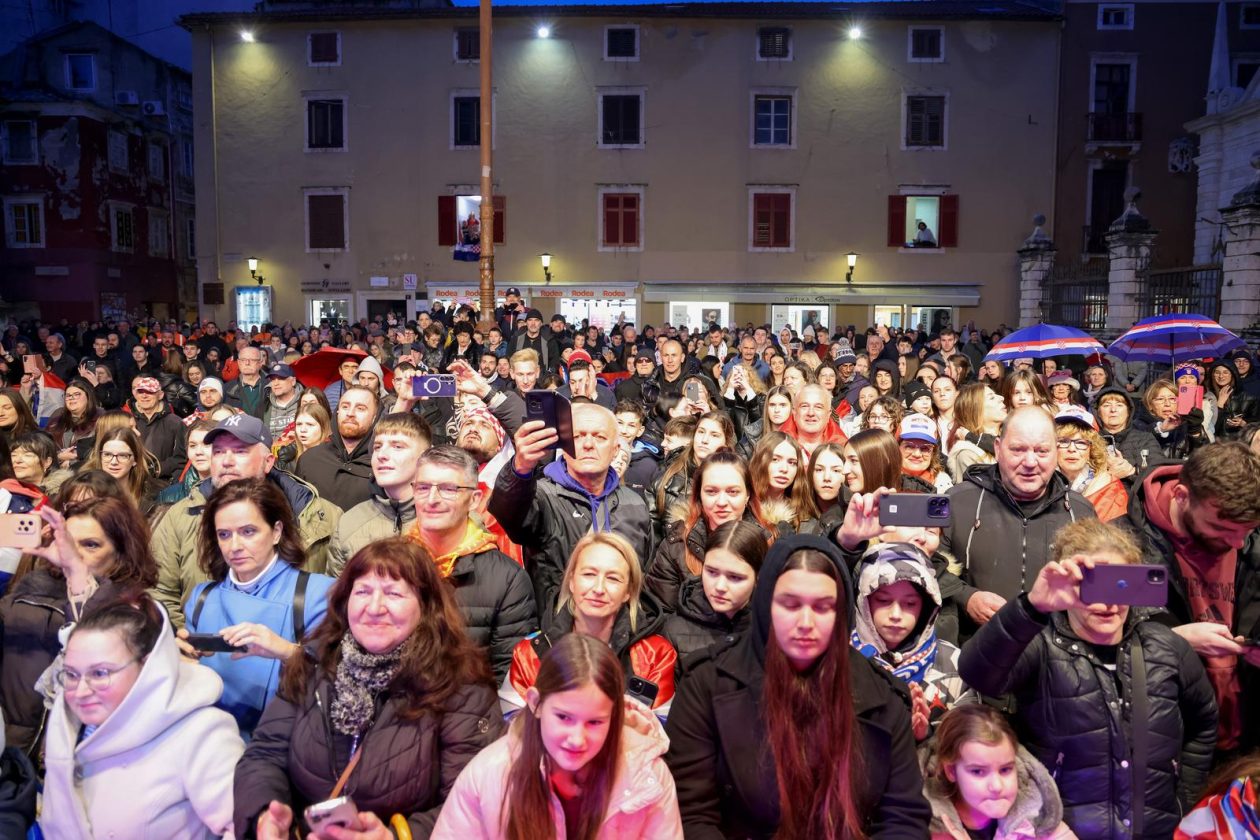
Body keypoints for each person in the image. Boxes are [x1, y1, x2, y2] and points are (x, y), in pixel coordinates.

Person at [959, 518, 1218, 840]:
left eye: (1120, 585)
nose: (1108, 604)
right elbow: (977, 673)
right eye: (1095, 587)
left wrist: (1183, 798)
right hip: (1061, 832)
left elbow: (1204, 722)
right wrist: (1031, 607)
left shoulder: (1168, 647)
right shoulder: (1039, 645)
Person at [233, 538, 504, 838]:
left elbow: (472, 802)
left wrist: (398, 836)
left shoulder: (463, 687)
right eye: (362, 591)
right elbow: (265, 754)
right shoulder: (313, 663)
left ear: (427, 607)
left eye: (393, 593)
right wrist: (266, 815)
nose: (374, 608)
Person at [665, 533, 931, 837]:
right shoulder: (707, 684)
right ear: (766, 604)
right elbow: (691, 813)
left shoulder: (884, 697)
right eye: (790, 604)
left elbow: (904, 819)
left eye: (823, 607)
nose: (806, 623)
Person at [433, 634, 684, 840]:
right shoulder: (489, 774)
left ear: (615, 717)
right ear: (535, 703)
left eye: (595, 722)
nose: (577, 739)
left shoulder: (648, 778)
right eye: (564, 717)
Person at [41, 594, 243, 839]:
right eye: (71, 675)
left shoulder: (201, 733)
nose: (81, 691)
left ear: (148, 667)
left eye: (100, 673)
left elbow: (244, 827)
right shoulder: (65, 726)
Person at [1120, 441, 1260, 755]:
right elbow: (1092, 650)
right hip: (1167, 742)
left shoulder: (1251, 546)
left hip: (1243, 740)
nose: (1237, 543)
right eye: (1220, 528)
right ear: (1181, 496)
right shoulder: (1123, 547)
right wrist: (1175, 641)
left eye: (1247, 530)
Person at [151, 414, 341, 629]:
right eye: (218, 451)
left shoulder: (321, 515)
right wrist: (191, 639)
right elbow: (160, 593)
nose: (226, 461)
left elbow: (339, 600)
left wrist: (294, 646)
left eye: (240, 451)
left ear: (268, 462)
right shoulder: (180, 517)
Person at [0, 496, 157, 755]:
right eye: (68, 542)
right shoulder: (28, 592)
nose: (74, 553)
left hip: (88, 755)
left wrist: (77, 575)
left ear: (121, 552)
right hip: (16, 754)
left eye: (91, 545)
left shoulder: (137, 611)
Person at [179, 478, 336, 734]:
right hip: (209, 738)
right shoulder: (202, 598)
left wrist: (287, 651)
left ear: (276, 532)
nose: (235, 546)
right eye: (224, 535)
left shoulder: (317, 594)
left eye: (248, 532)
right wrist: (180, 663)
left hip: (281, 743)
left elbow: (339, 682)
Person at [939, 407, 1095, 639]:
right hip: (974, 647)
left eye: (1042, 451)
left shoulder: (1080, 511)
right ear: (998, 448)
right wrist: (966, 597)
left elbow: (1096, 587)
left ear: (1055, 452)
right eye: (1018, 450)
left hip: (1054, 652)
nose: (1030, 462)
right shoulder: (957, 501)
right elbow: (929, 567)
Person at [491, 402, 651, 614]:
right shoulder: (542, 496)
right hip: (557, 623)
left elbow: (643, 574)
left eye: (600, 437)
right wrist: (520, 468)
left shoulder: (635, 504)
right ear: (564, 447)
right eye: (577, 436)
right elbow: (508, 513)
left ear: (615, 450)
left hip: (620, 627)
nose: (588, 444)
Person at [501, 532, 676, 715]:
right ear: (571, 582)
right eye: (589, 574)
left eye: (613, 578)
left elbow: (656, 729)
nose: (598, 589)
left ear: (628, 592)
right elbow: (513, 725)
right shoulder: (529, 654)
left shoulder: (655, 655)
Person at [403, 446, 538, 683]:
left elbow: (509, 679)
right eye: (423, 488)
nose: (432, 499)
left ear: (474, 499)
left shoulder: (508, 580)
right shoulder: (386, 563)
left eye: (448, 489)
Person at [851, 541, 971, 740]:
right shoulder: (839, 660)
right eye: (883, 600)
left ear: (927, 605)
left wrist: (925, 736)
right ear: (864, 601)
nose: (896, 615)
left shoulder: (956, 666)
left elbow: (969, 747)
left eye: (910, 603)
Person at [922, 705, 1076, 840]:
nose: (997, 786)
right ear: (951, 771)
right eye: (978, 772)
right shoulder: (924, 828)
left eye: (1005, 770)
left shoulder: (1037, 817)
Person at [328, 412, 432, 575]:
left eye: (397, 447)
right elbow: (337, 589)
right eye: (377, 447)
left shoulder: (450, 518)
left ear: (425, 455)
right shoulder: (349, 523)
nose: (382, 455)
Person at [662, 518, 766, 666]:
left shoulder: (773, 629)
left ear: (757, 577)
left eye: (735, 577)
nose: (720, 587)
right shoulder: (674, 630)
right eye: (711, 572)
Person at [295, 384, 379, 511]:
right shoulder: (309, 459)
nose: (350, 413)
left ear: (374, 417)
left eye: (360, 408)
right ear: (337, 412)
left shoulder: (382, 464)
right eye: (345, 406)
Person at [1054, 406, 1127, 522]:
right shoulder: (1038, 486)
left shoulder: (1110, 490)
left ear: (1092, 449)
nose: (1072, 449)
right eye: (1063, 441)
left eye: (1081, 443)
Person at [1094, 385, 1161, 483]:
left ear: (1129, 411)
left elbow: (1159, 472)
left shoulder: (1145, 439)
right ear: (1098, 412)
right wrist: (1106, 475)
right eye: (1106, 405)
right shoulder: (1089, 440)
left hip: (1135, 492)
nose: (1113, 410)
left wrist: (1132, 471)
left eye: (1119, 405)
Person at [749, 431, 816, 529]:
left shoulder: (805, 518)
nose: (784, 469)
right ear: (760, 462)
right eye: (775, 459)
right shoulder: (742, 509)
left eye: (792, 463)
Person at [126, 375, 187, 481]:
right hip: (131, 479)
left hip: (162, 482)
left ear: (160, 395)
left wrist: (157, 469)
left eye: (150, 392)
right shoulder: (127, 420)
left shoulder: (176, 422)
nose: (144, 396)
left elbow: (181, 458)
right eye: (140, 392)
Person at [947, 383, 1005, 484]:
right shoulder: (968, 454)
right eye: (991, 398)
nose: (1001, 398)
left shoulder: (1013, 435)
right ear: (975, 410)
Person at [898, 414, 953, 493]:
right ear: (897, 447)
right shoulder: (883, 478)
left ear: (933, 453)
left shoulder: (943, 485)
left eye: (925, 448)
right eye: (909, 446)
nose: (917, 454)